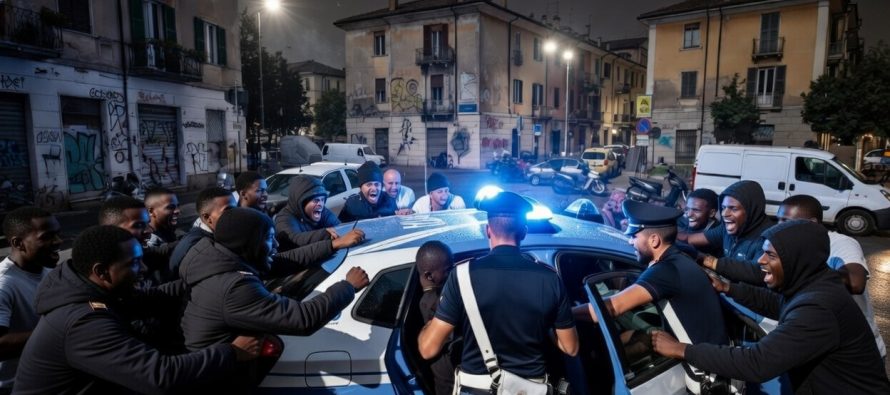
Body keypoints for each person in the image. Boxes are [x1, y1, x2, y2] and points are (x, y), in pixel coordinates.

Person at [13, 225, 262, 394]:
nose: (143, 269)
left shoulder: (91, 288)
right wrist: (231, 352)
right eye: (133, 263)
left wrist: (213, 280)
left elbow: (155, 296)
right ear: (101, 272)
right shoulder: (83, 321)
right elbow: (160, 376)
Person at [651, 220, 890, 394]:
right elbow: (777, 303)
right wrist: (729, 289)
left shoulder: (818, 308)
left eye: (771, 256)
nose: (760, 261)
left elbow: (757, 363)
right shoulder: (814, 282)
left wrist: (682, 350)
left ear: (796, 260)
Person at [179, 208, 371, 391]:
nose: (276, 245)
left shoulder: (219, 257)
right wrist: (348, 286)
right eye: (270, 239)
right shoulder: (235, 288)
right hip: (220, 382)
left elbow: (283, 261)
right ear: (249, 243)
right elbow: (303, 319)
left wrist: (332, 245)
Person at [418, 191, 578, 392]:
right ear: (524, 232)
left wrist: (426, 327)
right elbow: (570, 348)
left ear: (487, 230)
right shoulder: (550, 280)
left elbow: (428, 349)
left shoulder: (461, 276)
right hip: (528, 389)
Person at [701, 194, 886, 358]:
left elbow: (855, 282)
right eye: (779, 220)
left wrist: (805, 274)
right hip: (817, 346)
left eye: (787, 221)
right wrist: (726, 286)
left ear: (811, 224)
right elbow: (777, 301)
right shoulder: (790, 251)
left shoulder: (841, 244)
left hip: (853, 350)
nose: (780, 227)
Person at [572, 201, 729, 388]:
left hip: (704, 375)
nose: (630, 241)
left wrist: (563, 314)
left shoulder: (664, 271)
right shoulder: (681, 257)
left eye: (634, 236)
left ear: (654, 240)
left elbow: (611, 308)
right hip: (713, 360)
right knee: (638, 338)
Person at [0, 207, 61, 394]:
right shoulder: (4, 284)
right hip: (15, 386)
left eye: (58, 234)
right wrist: (59, 332)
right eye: (47, 237)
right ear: (18, 243)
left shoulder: (49, 271)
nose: (59, 242)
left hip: (48, 378)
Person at [680, 180, 771, 261]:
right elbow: (688, 239)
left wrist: (709, 262)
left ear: (750, 209)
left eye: (733, 208)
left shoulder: (767, 238)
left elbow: (756, 273)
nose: (724, 213)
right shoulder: (724, 230)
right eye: (723, 208)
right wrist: (667, 232)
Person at [274, 175, 363, 252]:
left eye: (322, 200)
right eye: (316, 200)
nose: (320, 204)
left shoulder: (322, 211)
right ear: (302, 202)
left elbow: (339, 227)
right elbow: (295, 240)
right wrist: (324, 234)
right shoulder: (284, 219)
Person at [415, 241, 457, 395]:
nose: (452, 273)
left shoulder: (425, 299)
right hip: (449, 387)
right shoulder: (436, 303)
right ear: (429, 275)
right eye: (447, 270)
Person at [168, 187, 237, 278]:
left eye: (236, 209)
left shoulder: (218, 235)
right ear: (207, 218)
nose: (236, 215)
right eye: (228, 211)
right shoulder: (197, 246)